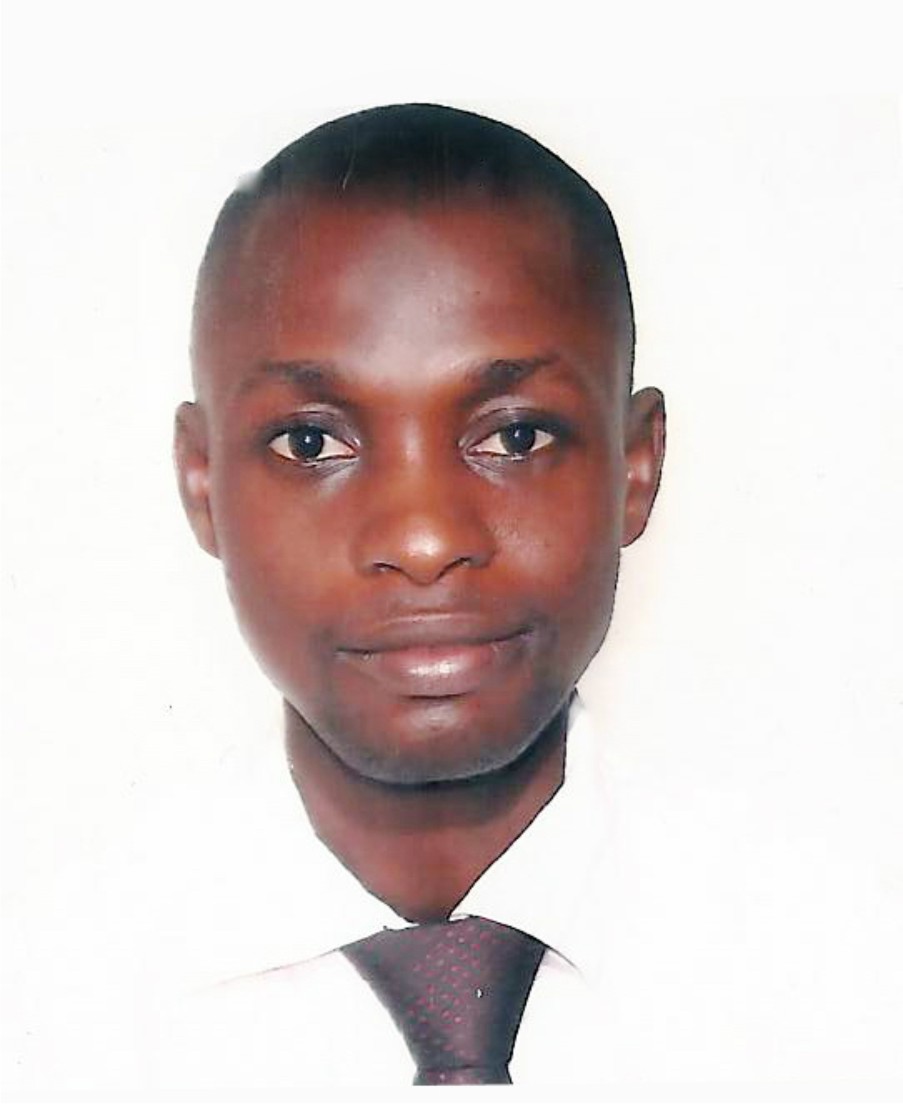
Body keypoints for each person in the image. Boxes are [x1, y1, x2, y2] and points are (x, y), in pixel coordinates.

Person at [170, 101, 665, 1088]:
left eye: (515, 436)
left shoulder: (846, 969)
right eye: (311, 441)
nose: (425, 541)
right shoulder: (49, 1002)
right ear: (203, 486)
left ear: (636, 469)